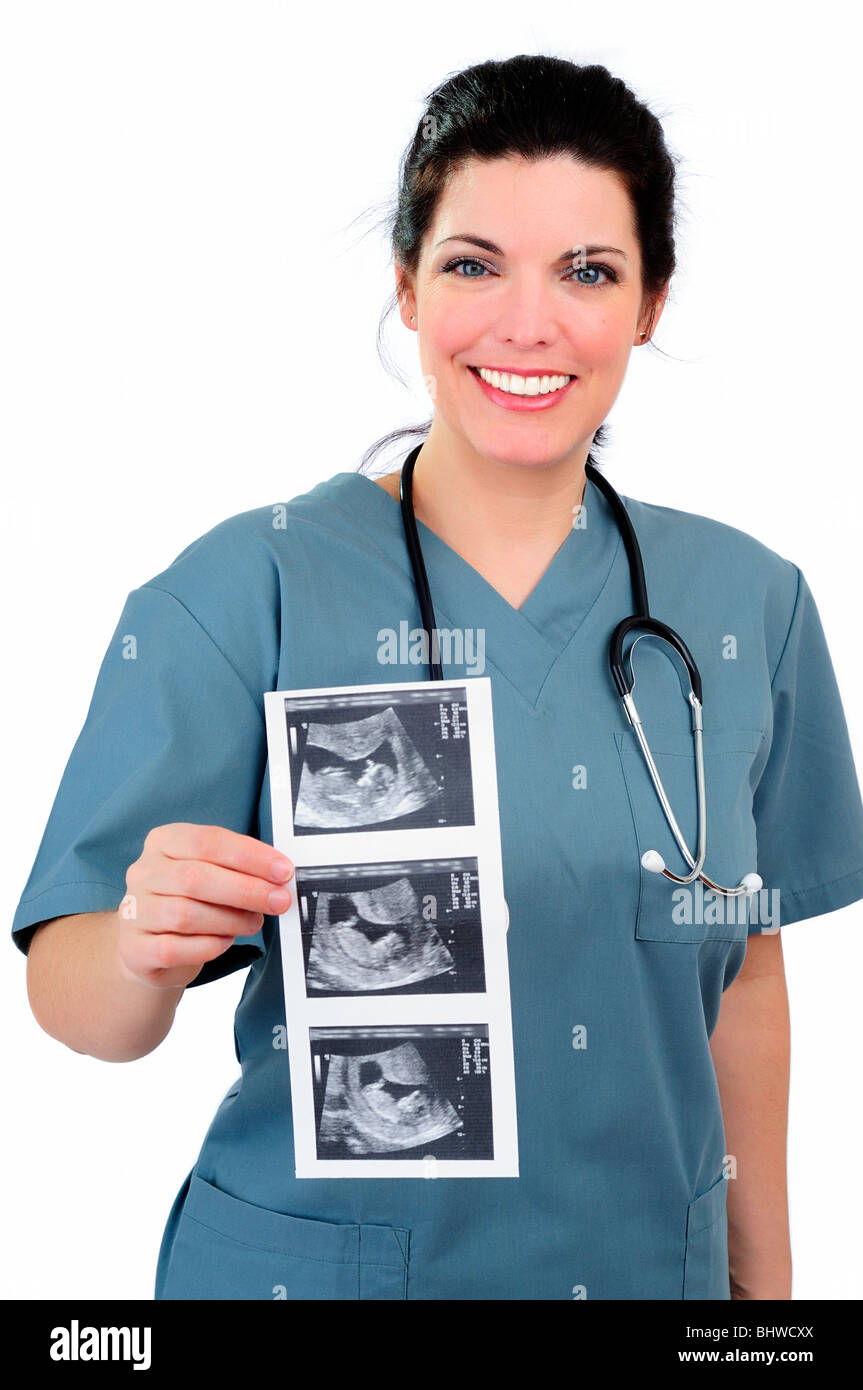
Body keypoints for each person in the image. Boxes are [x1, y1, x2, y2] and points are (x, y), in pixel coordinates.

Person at [13, 53, 863, 1301]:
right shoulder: (245, 588)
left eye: (588, 271)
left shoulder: (747, 605)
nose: (527, 323)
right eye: (472, 264)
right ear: (406, 289)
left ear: (649, 305)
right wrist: (142, 943)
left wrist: (764, 1300)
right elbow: (71, 995)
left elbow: (745, 977)